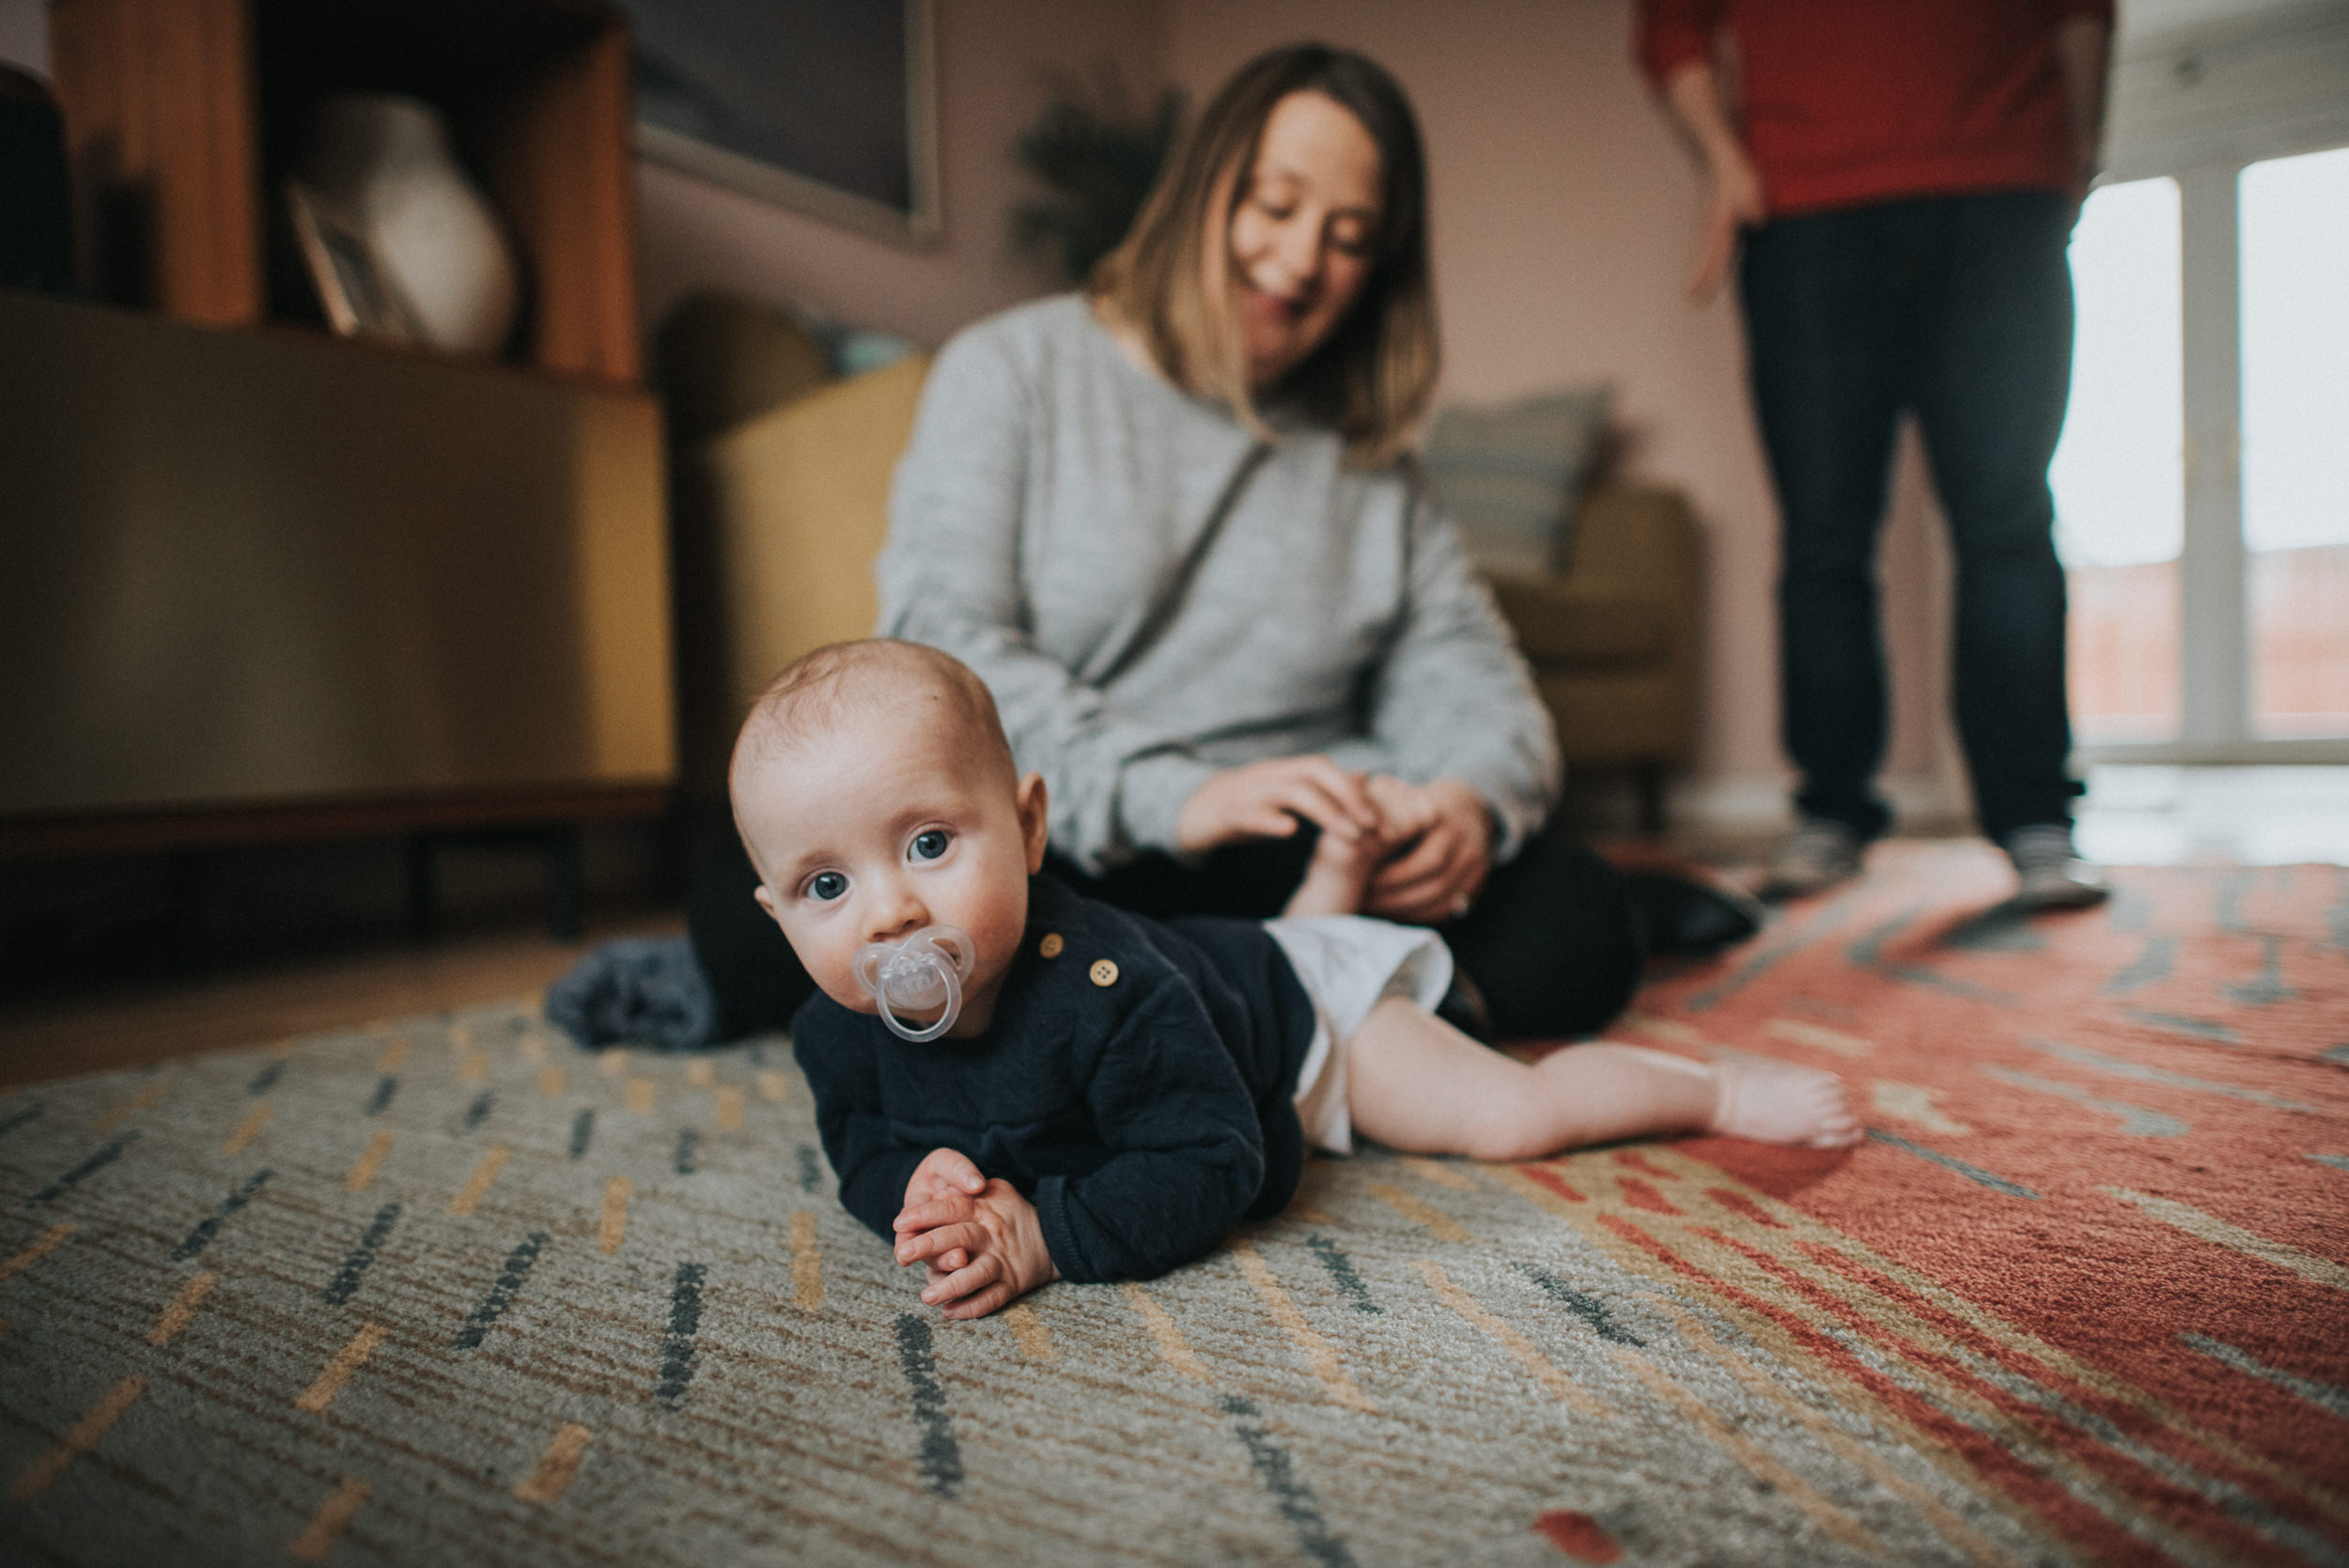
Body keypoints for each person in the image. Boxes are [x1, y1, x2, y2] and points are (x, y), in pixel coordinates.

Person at [690, 42, 1758, 1051]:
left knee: (1571, 922)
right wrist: (1179, 796)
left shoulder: (1372, 464)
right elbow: (941, 646)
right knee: (748, 933)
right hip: (1068, 846)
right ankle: (1314, 1023)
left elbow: (1471, 675)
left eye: (1349, 237)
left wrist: (1465, 801)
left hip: (1294, 857)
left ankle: (1211, 1020)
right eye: (1275, 204)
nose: (1299, 262)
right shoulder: (1011, 371)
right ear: (1203, 186)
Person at [735, 640, 1859, 1318]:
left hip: (1306, 1014)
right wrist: (916, 1183)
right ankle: (1332, 875)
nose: (890, 911)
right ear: (777, 914)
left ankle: (1709, 1091)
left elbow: (1212, 1158)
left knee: (1506, 1113)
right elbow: (863, 1145)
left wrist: (1047, 1235)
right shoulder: (833, 1030)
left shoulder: (1108, 992)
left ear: (1030, 828)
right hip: (1227, 964)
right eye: (825, 886)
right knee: (1245, 950)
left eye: (930, 844)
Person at [1639, 0, 2115, 909]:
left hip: (2003, 182)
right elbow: (1670, 23)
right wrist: (1723, 158)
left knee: (2008, 520)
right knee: (1823, 535)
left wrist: (2076, 150)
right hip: (1804, 209)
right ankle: (1829, 808)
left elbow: (2085, 9)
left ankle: (2034, 819)